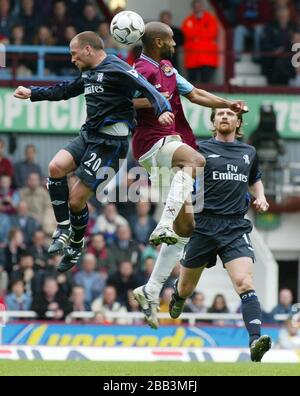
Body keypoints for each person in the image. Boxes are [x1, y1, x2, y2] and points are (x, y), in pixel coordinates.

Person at [14, 30, 174, 273]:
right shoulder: (88, 72)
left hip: (111, 144)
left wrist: (162, 108)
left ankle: (76, 245)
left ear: (88, 49)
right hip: (88, 135)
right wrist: (33, 92)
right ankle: (63, 228)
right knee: (55, 167)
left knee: (77, 200)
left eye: (74, 53)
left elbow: (145, 87)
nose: (72, 59)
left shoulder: (117, 68)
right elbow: (65, 90)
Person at [131, 21, 246, 328]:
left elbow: (194, 93)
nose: (174, 44)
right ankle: (162, 223)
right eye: (170, 39)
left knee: (187, 227)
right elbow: (126, 101)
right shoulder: (140, 68)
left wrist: (227, 104)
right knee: (195, 160)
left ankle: (150, 289)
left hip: (170, 142)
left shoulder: (167, 68)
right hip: (153, 141)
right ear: (157, 41)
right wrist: (156, 102)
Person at [169, 107, 272, 362]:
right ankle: (178, 295)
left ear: (238, 122)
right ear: (213, 122)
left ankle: (255, 340)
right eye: (220, 114)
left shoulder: (249, 152)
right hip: (203, 225)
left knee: (245, 283)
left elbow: (255, 178)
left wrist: (261, 197)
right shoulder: (199, 150)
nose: (225, 116)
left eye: (229, 114)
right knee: (186, 287)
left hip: (235, 227)